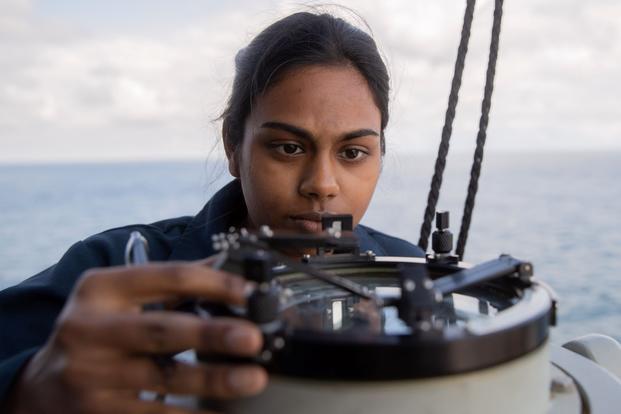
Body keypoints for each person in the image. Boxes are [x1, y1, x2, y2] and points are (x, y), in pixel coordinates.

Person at [0, 10, 424, 414]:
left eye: (353, 152)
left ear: (379, 155)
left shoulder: (416, 271)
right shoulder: (107, 271)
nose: (322, 184)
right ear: (233, 147)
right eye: (289, 148)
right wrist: (26, 391)